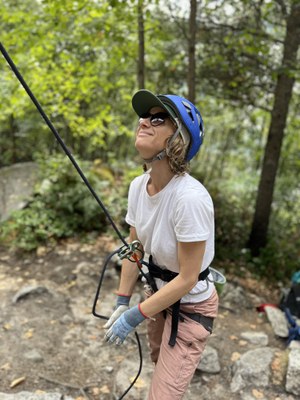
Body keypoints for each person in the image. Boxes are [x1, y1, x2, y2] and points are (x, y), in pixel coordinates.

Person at [104, 89, 219, 399]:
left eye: (158, 119)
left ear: (178, 139)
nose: (144, 122)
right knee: (158, 363)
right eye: (144, 117)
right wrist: (121, 301)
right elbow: (135, 248)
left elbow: (188, 277)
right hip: (155, 293)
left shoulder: (190, 199)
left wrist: (134, 315)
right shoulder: (137, 187)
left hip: (191, 305)